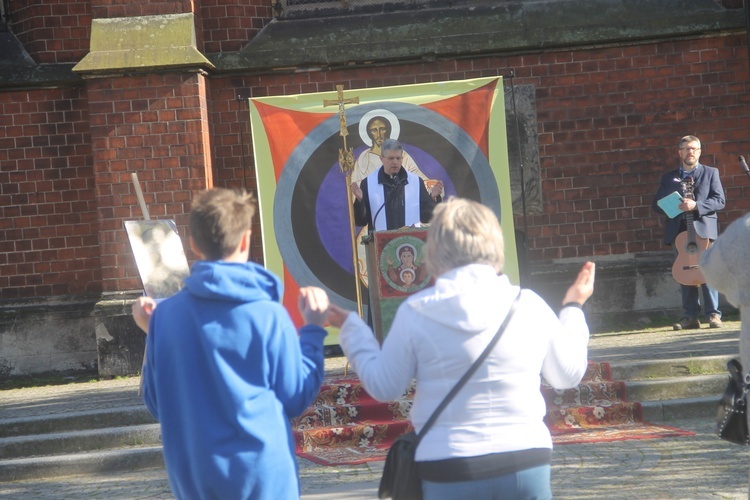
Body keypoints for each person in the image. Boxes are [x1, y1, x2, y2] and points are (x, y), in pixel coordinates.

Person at [327, 197, 596, 499]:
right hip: (525, 458)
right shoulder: (529, 304)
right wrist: (573, 308)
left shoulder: (416, 311)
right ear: (495, 244)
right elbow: (567, 375)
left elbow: (384, 386)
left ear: (433, 251)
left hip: (449, 463)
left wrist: (353, 331)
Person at [131, 188, 330, 500]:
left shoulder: (165, 317)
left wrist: (151, 332)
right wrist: (314, 330)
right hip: (263, 477)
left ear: (194, 244)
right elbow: (295, 396)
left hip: (196, 478)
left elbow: (159, 404)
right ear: (246, 241)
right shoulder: (269, 315)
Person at [652, 135, 725, 330]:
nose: (690, 152)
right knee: (685, 272)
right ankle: (690, 316)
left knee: (708, 272)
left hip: (704, 232)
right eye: (686, 148)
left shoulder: (711, 173)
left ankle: (713, 315)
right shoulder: (669, 177)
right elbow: (657, 205)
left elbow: (719, 201)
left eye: (693, 148)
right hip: (680, 232)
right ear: (680, 152)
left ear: (700, 151)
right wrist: (675, 206)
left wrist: (696, 205)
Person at [352, 138, 444, 231]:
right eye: (391, 158)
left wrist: (432, 197)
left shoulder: (416, 181)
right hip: (380, 243)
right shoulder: (368, 183)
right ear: (381, 159)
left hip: (409, 242)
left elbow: (426, 217)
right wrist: (360, 201)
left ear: (402, 158)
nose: (395, 162)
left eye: (398, 158)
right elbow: (360, 221)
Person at [353, 114, 430, 185]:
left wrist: (431, 186)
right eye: (374, 130)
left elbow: (419, 179)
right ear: (369, 133)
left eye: (382, 129)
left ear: (389, 130)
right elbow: (357, 186)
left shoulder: (402, 155)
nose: (379, 134)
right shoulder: (363, 160)